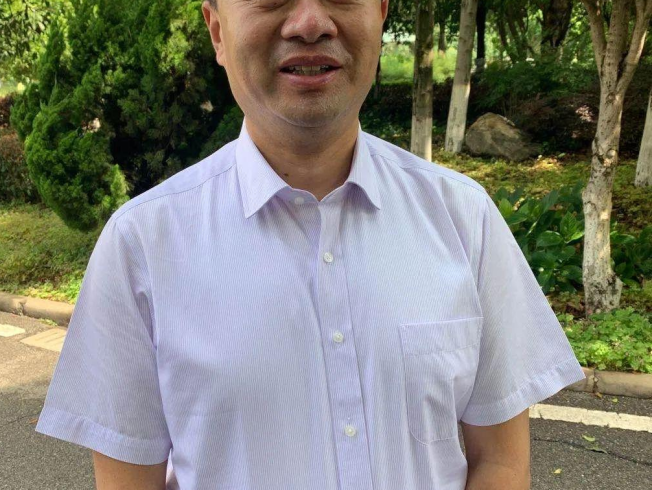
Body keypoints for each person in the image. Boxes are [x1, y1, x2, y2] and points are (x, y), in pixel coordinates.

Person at [34, 0, 586, 488]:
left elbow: (500, 464)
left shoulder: (463, 219)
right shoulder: (142, 246)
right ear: (217, 31)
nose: (310, 22)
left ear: (380, 13)